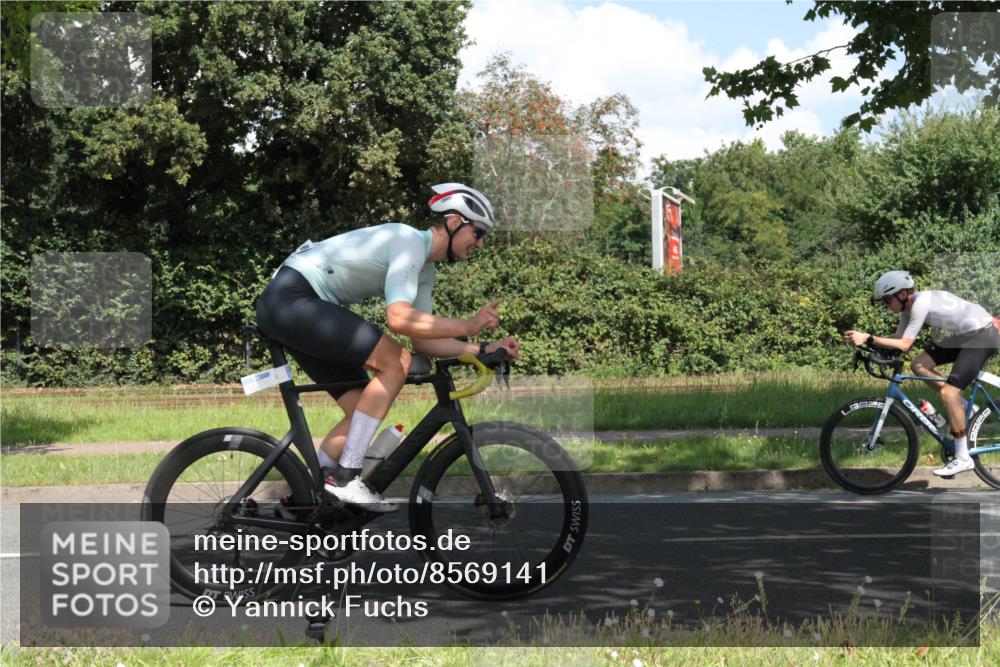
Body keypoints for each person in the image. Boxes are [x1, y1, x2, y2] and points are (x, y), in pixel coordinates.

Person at [255, 183, 521, 511]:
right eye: (478, 233)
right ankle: (345, 479)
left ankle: (307, 499)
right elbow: (398, 318)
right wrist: (468, 325)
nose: (480, 244)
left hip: (298, 306)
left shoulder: (426, 268)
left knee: (360, 407)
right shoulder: (408, 241)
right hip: (292, 299)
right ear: (454, 223)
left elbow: (422, 338)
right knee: (396, 362)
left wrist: (483, 349)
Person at [843, 270, 1000, 476]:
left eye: (887, 300)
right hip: (968, 334)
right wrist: (871, 345)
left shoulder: (919, 304)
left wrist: (869, 337)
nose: (886, 305)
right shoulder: (908, 309)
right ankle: (963, 408)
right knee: (919, 364)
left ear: (902, 294)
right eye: (883, 301)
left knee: (948, 393)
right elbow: (897, 340)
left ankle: (963, 458)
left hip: (983, 335)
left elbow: (905, 345)